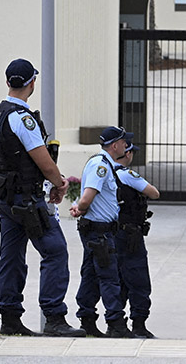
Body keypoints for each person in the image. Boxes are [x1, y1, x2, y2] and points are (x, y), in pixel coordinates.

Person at [0, 58, 84, 338]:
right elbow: (43, 161)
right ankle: (54, 317)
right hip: (26, 199)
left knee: (11, 256)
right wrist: (60, 183)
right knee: (55, 250)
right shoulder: (23, 119)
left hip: (5, 196)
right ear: (32, 83)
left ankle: (10, 318)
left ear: (8, 82)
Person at [70, 126, 134, 338]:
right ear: (115, 145)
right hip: (100, 232)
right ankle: (116, 324)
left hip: (96, 230)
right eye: (124, 142)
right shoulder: (101, 166)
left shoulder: (102, 163)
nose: (126, 146)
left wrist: (81, 208)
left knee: (90, 275)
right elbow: (87, 197)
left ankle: (87, 319)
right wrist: (80, 207)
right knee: (109, 277)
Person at [112, 137, 160, 338]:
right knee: (138, 278)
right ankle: (138, 324)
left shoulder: (104, 171)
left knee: (117, 278)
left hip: (112, 232)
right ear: (128, 153)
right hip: (130, 234)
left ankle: (115, 322)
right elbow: (154, 193)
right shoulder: (127, 174)